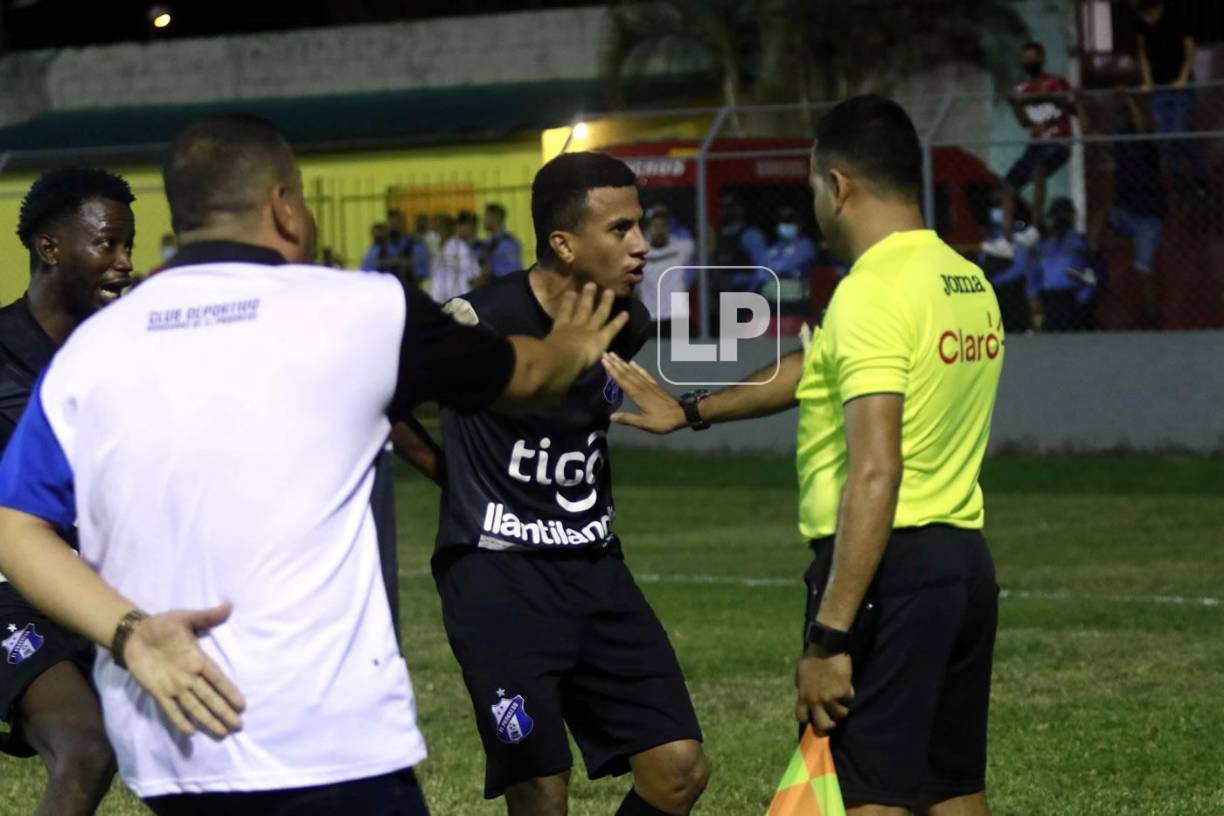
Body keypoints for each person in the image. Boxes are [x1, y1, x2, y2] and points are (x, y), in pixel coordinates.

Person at [0, 114, 630, 815]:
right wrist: (572, 345)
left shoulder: (93, 352)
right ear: (283, 207)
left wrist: (130, 632)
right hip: (330, 741)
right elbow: (526, 376)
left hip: (175, 748)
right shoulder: (363, 311)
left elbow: (15, 526)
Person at [604, 95, 1004, 816]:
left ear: (839, 185)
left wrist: (829, 637)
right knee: (951, 792)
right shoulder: (963, 280)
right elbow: (812, 366)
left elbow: (877, 471)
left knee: (864, 794)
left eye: (814, 188)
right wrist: (692, 409)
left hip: (888, 571)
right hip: (962, 567)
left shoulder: (872, 292)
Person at [401, 151, 708, 816]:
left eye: (639, 228)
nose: (642, 246)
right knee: (542, 791)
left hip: (596, 567)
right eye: (620, 230)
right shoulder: (475, 320)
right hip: (497, 576)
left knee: (678, 770)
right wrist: (450, 475)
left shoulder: (632, 323)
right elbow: (394, 404)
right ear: (564, 245)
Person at [0, 166, 135, 816]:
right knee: (86, 747)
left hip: (101, 590)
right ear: (49, 249)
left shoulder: (129, 354)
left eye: (128, 246)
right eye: (107, 245)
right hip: (10, 595)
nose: (124, 263)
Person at [983, 41, 1077, 259]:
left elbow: (1072, 108)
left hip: (1058, 142)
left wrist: (1052, 98)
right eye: (1026, 59)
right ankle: (1006, 241)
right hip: (1035, 145)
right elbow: (1025, 123)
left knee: (1038, 172)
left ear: (1042, 59)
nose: (1030, 62)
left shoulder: (1056, 82)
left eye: (1033, 58)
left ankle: (1034, 229)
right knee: (1008, 186)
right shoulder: (1022, 89)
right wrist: (1014, 104)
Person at [1089, 91, 1165, 327]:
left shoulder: (1147, 144)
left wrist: (1130, 100)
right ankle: (1091, 263)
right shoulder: (1120, 144)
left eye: (1125, 117)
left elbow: (1141, 125)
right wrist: (1079, 104)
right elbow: (1091, 135)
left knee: (1143, 270)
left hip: (1148, 219)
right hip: (1125, 213)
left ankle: (1151, 318)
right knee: (1100, 216)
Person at [1135, 0, 1207, 195]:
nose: (1148, 20)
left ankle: (1201, 178)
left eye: (1150, 15)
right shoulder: (1142, 23)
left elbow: (1190, 46)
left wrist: (1184, 76)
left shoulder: (1176, 17)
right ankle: (1178, 181)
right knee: (1164, 139)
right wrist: (1147, 80)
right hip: (1159, 87)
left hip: (1179, 85)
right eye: (1144, 17)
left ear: (1158, 8)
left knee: (1181, 133)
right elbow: (1142, 52)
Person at [1027, 197, 1098, 332]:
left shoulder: (1080, 242)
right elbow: (1034, 273)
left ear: (1071, 217)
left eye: (1064, 215)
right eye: (1057, 215)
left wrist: (1083, 297)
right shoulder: (1043, 245)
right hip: (1049, 299)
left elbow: (1091, 273)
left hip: (1072, 298)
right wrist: (1033, 295)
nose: (1060, 219)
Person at [641, 204, 695, 335]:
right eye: (655, 226)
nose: (659, 230)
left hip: (678, 315)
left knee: (680, 355)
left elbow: (708, 245)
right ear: (648, 228)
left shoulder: (682, 247)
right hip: (651, 315)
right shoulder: (640, 251)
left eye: (663, 226)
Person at [763, 206, 818, 313]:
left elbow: (779, 266)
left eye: (789, 221)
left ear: (799, 224)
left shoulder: (805, 245)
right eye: (782, 221)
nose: (785, 225)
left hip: (794, 301)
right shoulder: (776, 246)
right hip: (771, 300)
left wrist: (766, 269)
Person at [430, 211, 482, 303]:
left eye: (440, 226)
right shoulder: (436, 249)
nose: (437, 230)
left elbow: (474, 275)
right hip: (439, 301)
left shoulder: (460, 247)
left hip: (457, 302)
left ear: (448, 227)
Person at [481, 202, 523, 278]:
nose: (483, 220)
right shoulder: (488, 242)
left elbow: (514, 270)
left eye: (486, 216)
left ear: (495, 218)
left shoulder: (508, 243)